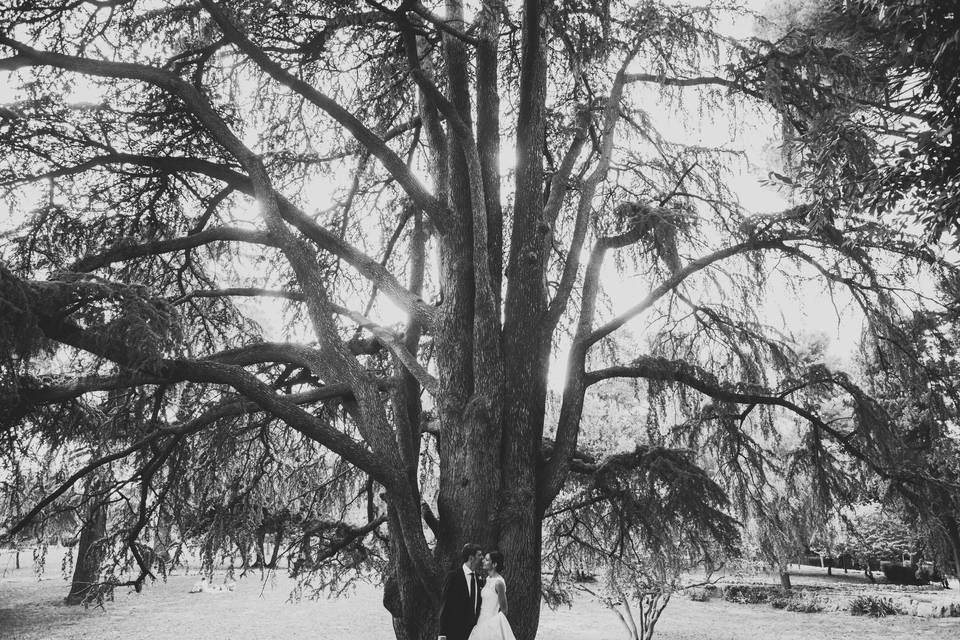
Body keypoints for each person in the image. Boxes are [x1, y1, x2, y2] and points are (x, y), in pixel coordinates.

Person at [438, 543, 485, 640]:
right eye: (479, 555)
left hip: (474, 633)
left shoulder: (479, 579)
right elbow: (445, 605)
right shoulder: (453, 577)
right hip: (455, 631)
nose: (482, 557)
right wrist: (442, 633)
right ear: (471, 558)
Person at [466, 550, 516, 640]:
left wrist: (492, 626)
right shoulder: (488, 579)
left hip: (490, 624)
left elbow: (504, 610)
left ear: (494, 564)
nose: (483, 561)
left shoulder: (498, 583)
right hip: (480, 621)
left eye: (487, 560)